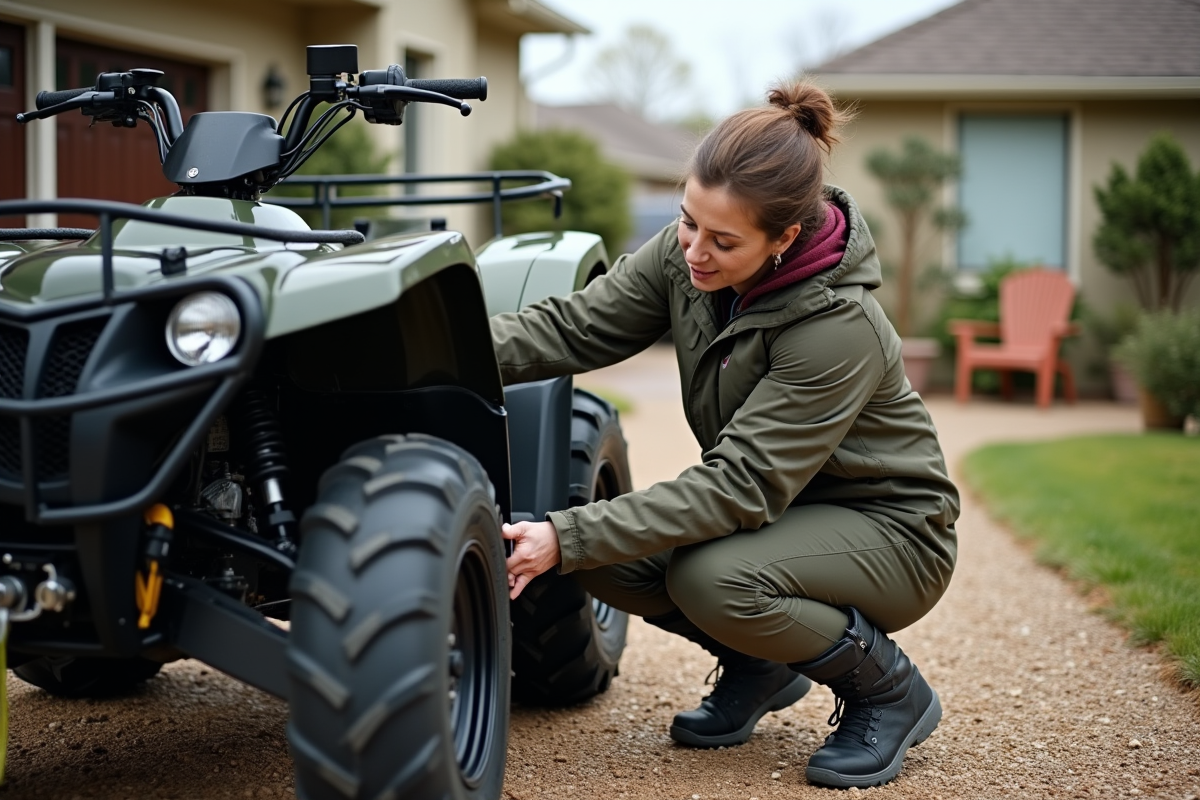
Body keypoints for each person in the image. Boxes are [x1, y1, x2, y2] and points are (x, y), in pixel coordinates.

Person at [490, 81, 959, 790]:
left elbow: (740, 486)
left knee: (708, 577)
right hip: (785, 515)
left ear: (785, 239)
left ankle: (889, 691)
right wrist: (433, 345)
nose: (695, 252)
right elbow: (573, 327)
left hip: (890, 531)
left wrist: (569, 532)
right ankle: (760, 664)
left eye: (723, 240)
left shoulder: (838, 328)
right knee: (594, 556)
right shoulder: (688, 258)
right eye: (686, 224)